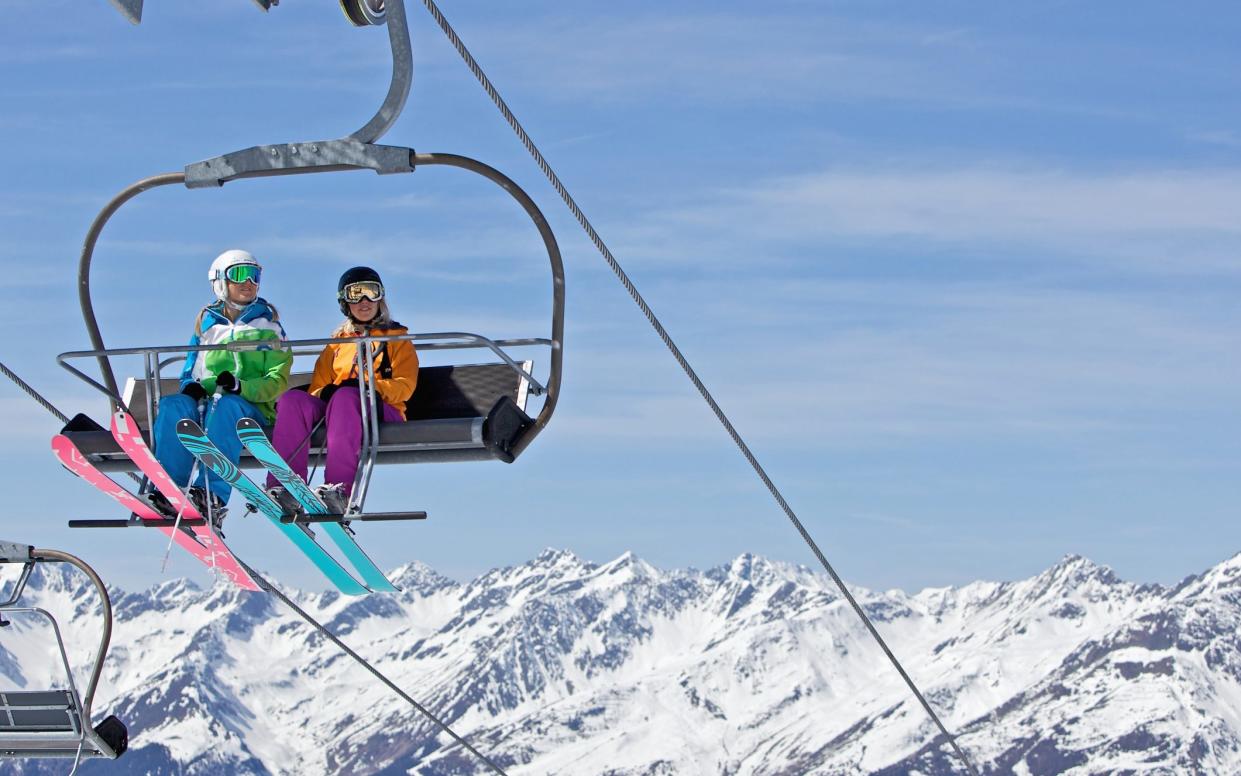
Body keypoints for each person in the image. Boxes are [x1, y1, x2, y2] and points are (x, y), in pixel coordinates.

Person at [151, 249, 292, 521]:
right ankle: (170, 489)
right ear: (219, 282)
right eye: (239, 274)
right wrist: (191, 387)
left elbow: (277, 381)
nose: (248, 282)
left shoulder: (269, 326)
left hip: (251, 409)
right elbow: (191, 369)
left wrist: (242, 386)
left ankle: (211, 494)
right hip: (209, 402)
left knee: (227, 407)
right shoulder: (207, 325)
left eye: (255, 275)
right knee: (174, 406)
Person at [267, 266, 418, 514]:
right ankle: (285, 487)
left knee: (347, 396)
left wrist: (369, 388)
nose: (364, 301)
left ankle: (338, 489)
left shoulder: (396, 339)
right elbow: (318, 387)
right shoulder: (337, 344)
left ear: (381, 297)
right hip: (339, 408)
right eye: (355, 294)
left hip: (382, 411)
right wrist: (324, 393)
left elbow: (405, 387)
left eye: (371, 292)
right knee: (293, 399)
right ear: (345, 302)